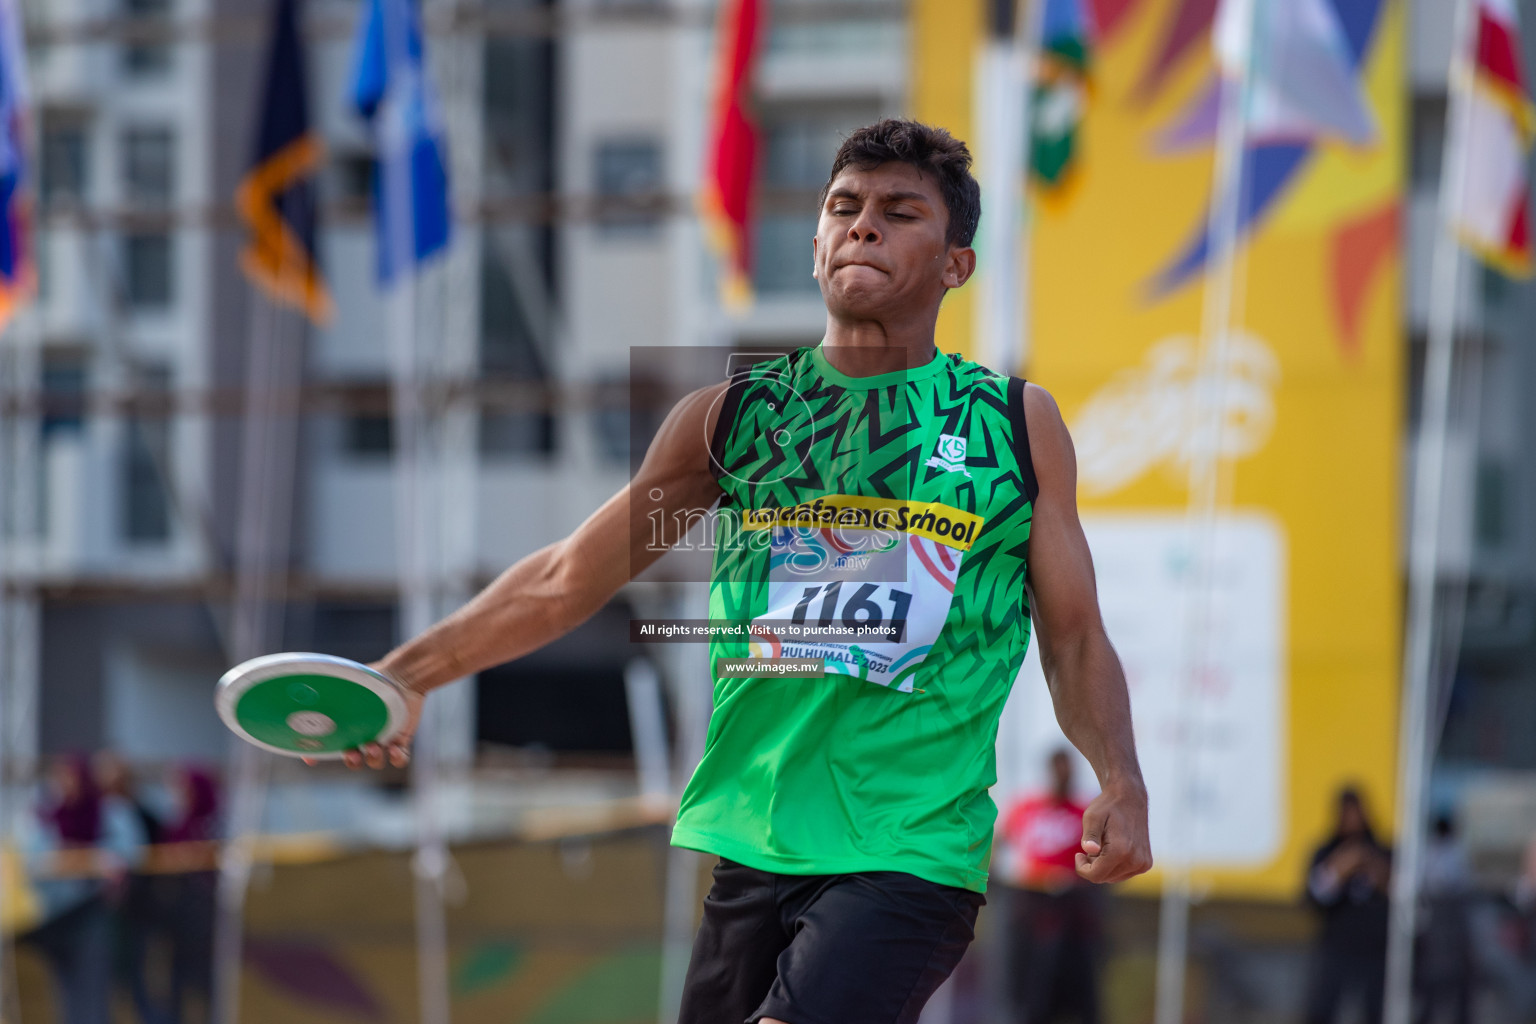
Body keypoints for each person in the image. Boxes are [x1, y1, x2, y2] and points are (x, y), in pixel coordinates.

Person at [322, 118, 1152, 1023]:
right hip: (750, 843)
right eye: (845, 207)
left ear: (956, 264)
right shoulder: (734, 419)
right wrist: (408, 674)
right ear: (815, 245)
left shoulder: (1012, 424)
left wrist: (1120, 777)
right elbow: (568, 578)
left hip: (908, 852)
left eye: (900, 212)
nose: (863, 226)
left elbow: (1072, 638)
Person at [21, 753, 146, 1024]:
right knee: (66, 994)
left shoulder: (109, 811)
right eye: (60, 777)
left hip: (92, 912)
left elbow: (130, 855)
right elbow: (34, 861)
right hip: (54, 918)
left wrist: (97, 861)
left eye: (70, 776)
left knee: (94, 992)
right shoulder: (46, 815)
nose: (65, 784)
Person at [996, 749, 1104, 1024]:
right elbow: (998, 844)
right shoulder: (1027, 808)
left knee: (1074, 984)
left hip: (1071, 908)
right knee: (1029, 986)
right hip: (1030, 905)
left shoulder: (1084, 813)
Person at [1304, 786, 1393, 1024]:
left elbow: (1399, 890)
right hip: (1337, 945)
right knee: (1323, 1007)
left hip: (1376, 947)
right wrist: (1340, 868)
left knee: (1375, 1009)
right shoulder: (1326, 852)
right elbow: (1314, 896)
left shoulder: (1383, 851)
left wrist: (1371, 865)